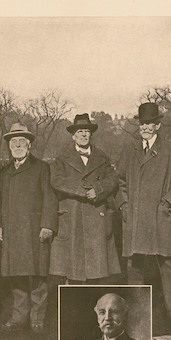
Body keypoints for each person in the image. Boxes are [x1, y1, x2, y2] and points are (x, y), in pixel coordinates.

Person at [116, 103, 171, 323]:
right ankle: (136, 308)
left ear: (158, 125)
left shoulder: (169, 150)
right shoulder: (129, 150)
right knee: (135, 264)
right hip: (136, 216)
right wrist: (123, 204)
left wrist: (168, 203)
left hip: (160, 216)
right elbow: (118, 180)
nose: (145, 127)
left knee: (167, 263)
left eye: (150, 123)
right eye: (142, 123)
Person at [0, 123, 58, 333]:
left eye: (21, 142)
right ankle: (19, 316)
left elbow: (50, 198)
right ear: (9, 147)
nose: (18, 145)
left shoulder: (41, 168)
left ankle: (37, 319)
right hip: (12, 232)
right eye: (14, 142)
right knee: (16, 275)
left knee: (38, 276)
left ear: (29, 145)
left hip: (34, 230)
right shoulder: (5, 172)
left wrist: (47, 225)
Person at [50, 113, 121, 283]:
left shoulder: (102, 158)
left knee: (96, 271)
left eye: (86, 131)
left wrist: (98, 189)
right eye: (80, 131)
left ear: (91, 134)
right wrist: (83, 190)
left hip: (97, 216)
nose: (83, 134)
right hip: (72, 217)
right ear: (73, 135)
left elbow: (113, 179)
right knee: (72, 270)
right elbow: (56, 180)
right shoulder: (62, 158)